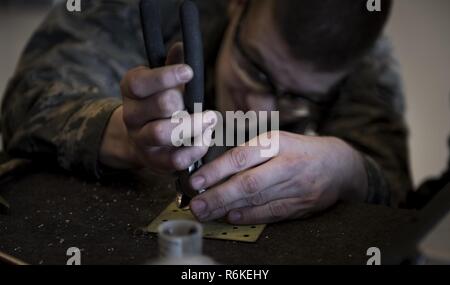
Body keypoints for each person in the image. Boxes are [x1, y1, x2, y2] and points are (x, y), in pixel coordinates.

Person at [0, 0, 412, 224]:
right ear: (239, 5)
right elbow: (31, 98)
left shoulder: (358, 47)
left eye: (297, 99)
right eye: (256, 70)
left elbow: (396, 195)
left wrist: (350, 170)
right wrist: (124, 133)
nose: (259, 108)